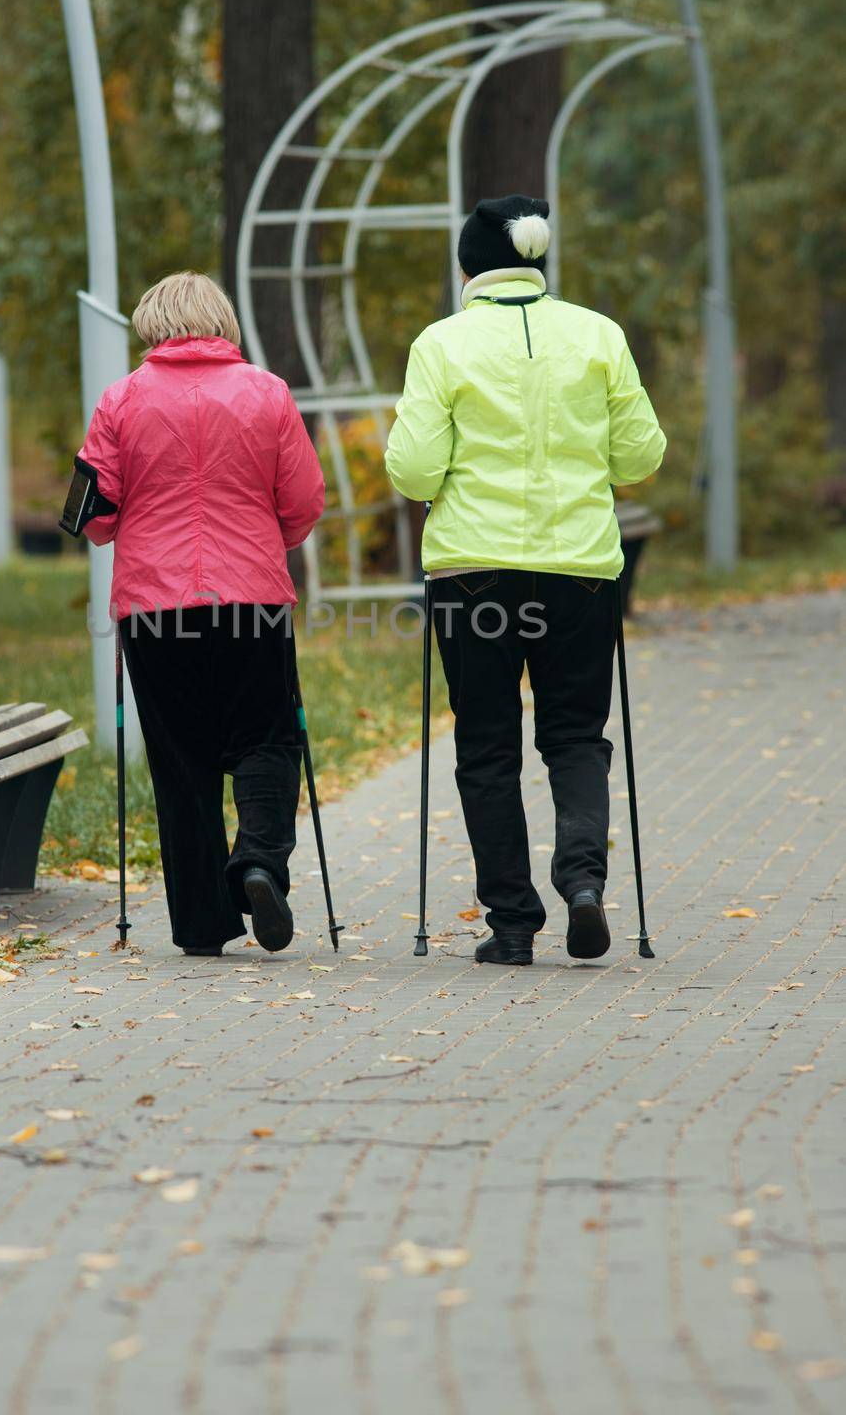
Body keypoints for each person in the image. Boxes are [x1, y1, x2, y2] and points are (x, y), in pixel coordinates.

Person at [385, 196, 665, 966]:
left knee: (485, 746)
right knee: (575, 736)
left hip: (473, 575)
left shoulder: (441, 344)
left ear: (467, 267)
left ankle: (511, 923)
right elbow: (639, 457)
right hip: (578, 571)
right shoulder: (598, 335)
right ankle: (582, 882)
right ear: (536, 261)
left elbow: (412, 473)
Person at [79, 272, 325, 957]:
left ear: (150, 325)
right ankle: (257, 864)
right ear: (222, 322)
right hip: (251, 597)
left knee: (181, 762)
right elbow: (303, 500)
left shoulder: (120, 400)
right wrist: (262, 541)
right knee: (267, 739)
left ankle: (199, 925)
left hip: (155, 609)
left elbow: (94, 515)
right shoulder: (266, 392)